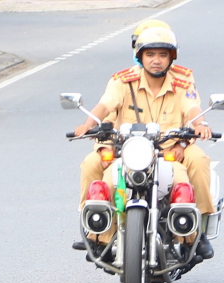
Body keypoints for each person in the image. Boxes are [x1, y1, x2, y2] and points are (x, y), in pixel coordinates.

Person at [73, 26, 216, 259]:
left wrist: (201, 124)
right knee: (92, 165)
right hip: (130, 151)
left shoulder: (182, 79)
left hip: (169, 151)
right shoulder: (123, 81)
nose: (156, 61)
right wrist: (88, 123)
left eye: (162, 54)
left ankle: (195, 234)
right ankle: (95, 231)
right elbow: (106, 104)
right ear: (139, 56)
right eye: (150, 54)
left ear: (171, 57)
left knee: (198, 161)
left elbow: (192, 107)